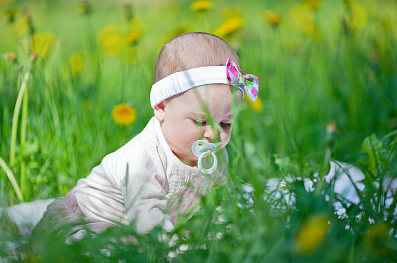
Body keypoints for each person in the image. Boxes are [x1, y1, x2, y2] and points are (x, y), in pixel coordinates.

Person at [28, 32, 260, 241]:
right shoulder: (143, 157)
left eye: (225, 123)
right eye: (199, 121)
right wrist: (179, 250)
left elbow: (220, 201)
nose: (213, 134)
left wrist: (224, 232)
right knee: (95, 246)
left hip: (147, 225)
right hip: (91, 216)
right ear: (161, 107)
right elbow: (147, 219)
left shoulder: (216, 156)